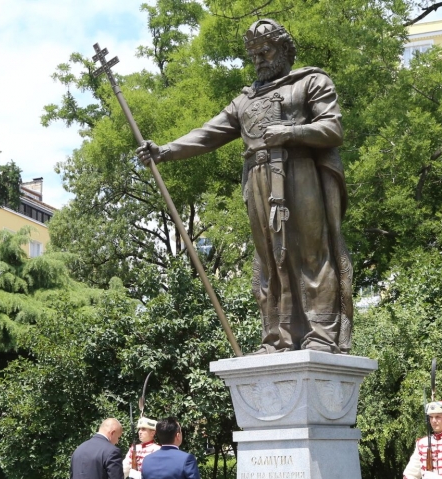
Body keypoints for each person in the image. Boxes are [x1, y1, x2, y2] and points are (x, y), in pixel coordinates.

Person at [136, 18, 354, 355]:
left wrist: (292, 132)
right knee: (270, 259)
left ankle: (320, 335)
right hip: (257, 177)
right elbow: (208, 133)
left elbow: (332, 128)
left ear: (283, 48)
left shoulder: (311, 81)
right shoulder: (246, 99)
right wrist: (164, 151)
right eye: (253, 54)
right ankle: (276, 338)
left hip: (300, 171)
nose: (259, 59)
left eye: (265, 50)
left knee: (312, 252)